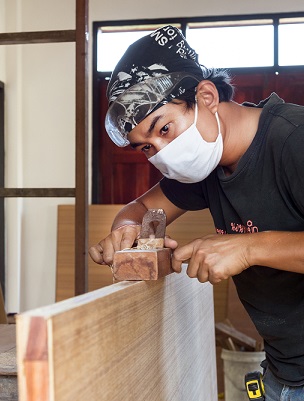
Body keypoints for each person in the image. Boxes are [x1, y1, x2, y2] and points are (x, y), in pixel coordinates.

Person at [89, 25, 304, 400]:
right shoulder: (206, 164)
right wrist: (126, 231)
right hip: (283, 372)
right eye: (146, 148)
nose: (160, 152)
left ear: (205, 96)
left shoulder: (293, 140)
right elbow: (139, 210)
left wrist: (248, 248)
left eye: (165, 129)